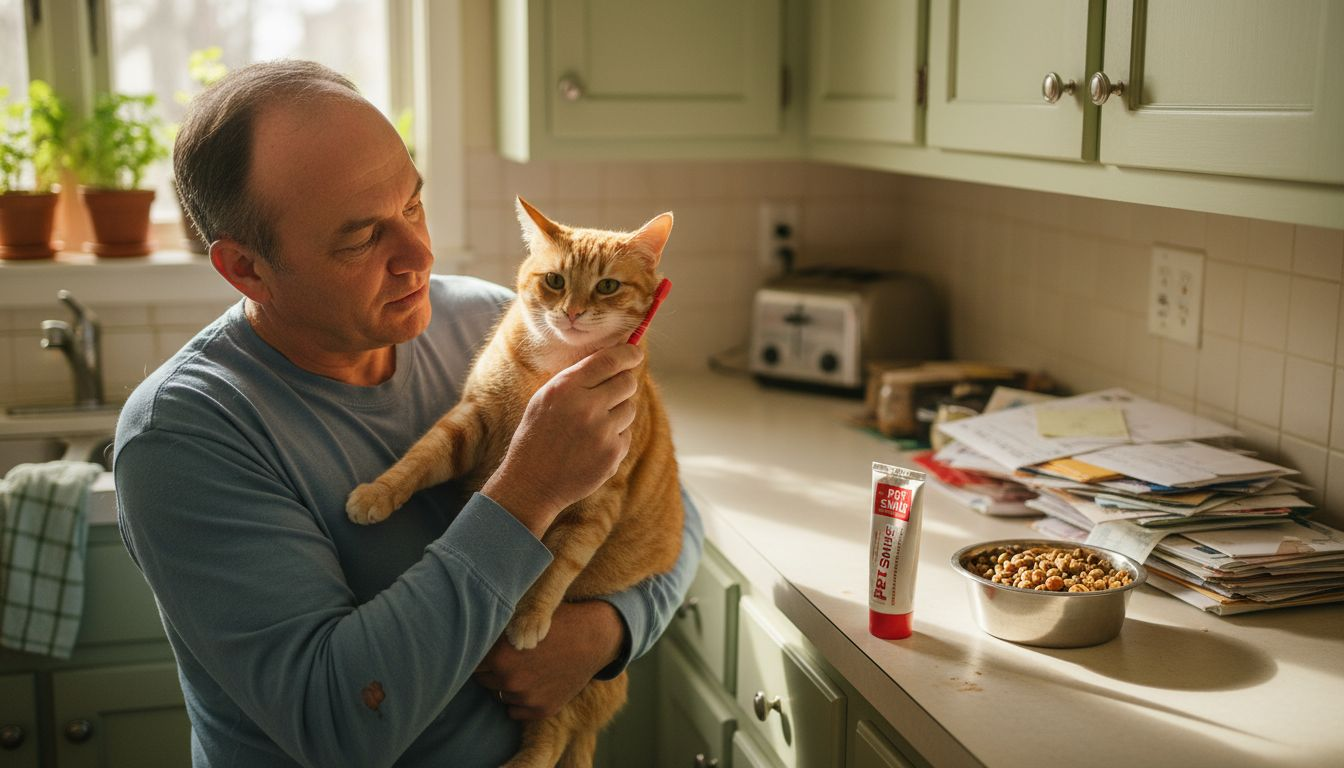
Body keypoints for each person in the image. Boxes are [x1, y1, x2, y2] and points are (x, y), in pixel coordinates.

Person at [114, 60, 702, 767]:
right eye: (362, 238)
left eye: (413, 205)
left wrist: (607, 631)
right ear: (247, 270)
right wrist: (526, 492)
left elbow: (675, 509)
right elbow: (339, 725)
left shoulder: (498, 323)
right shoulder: (184, 437)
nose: (420, 255)